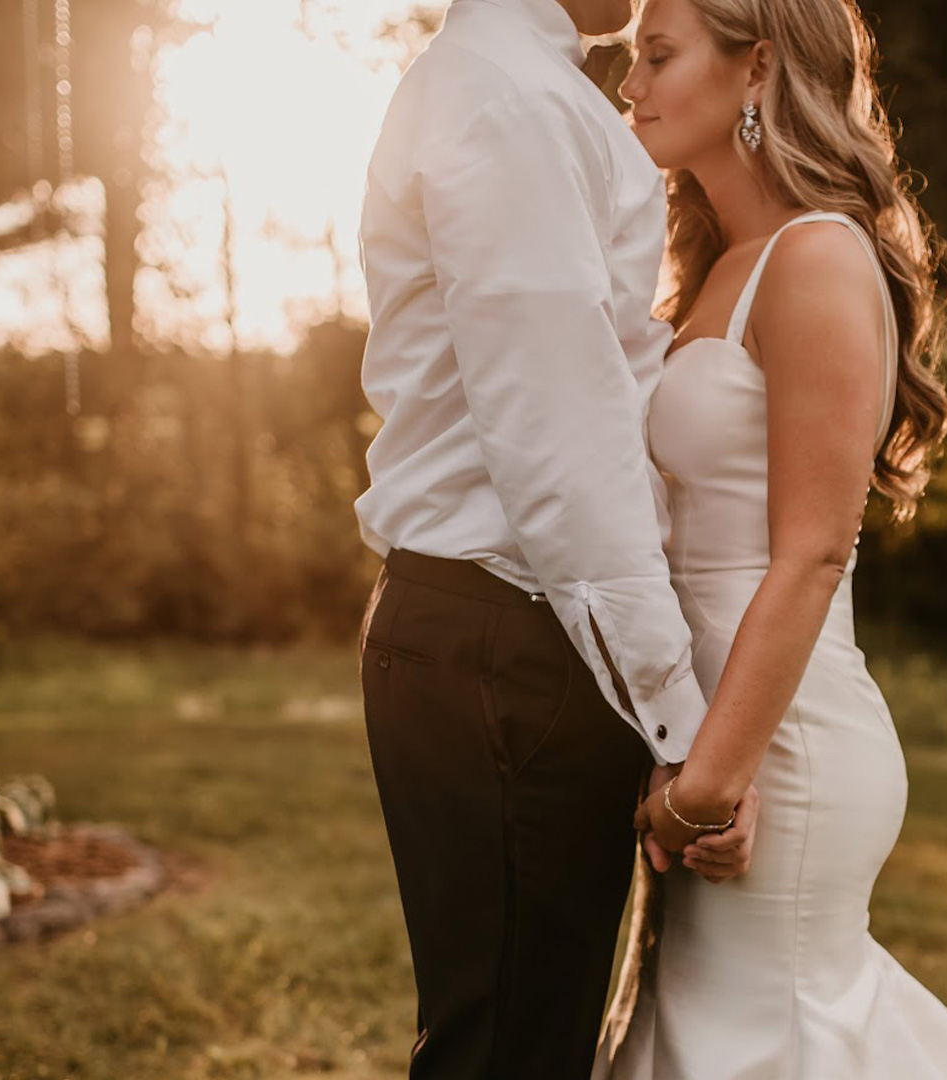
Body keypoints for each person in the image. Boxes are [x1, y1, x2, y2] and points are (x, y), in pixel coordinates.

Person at [590, 0, 947, 1076]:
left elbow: (811, 553)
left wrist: (703, 787)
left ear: (756, 69)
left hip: (777, 759)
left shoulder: (816, 257)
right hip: (709, 745)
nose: (628, 85)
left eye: (657, 55)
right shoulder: (717, 268)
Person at [352, 1, 759, 1078]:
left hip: (508, 633)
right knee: (509, 1053)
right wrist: (679, 721)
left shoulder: (519, 86)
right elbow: (561, 433)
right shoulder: (510, 101)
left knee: (518, 1039)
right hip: (509, 641)